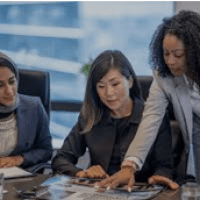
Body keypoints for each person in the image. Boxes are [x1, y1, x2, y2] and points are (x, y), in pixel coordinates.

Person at [96, 10, 200, 191]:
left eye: (178, 54)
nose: (170, 61)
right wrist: (129, 165)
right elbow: (151, 117)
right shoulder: (163, 78)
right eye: (166, 53)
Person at [52, 50, 179, 190]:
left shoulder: (152, 116)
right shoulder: (91, 116)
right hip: (100, 191)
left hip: (136, 191)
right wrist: (82, 173)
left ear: (129, 81)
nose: (109, 93)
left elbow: (165, 167)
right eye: (101, 86)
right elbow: (61, 159)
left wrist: (156, 179)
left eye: (115, 84)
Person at [0, 51, 52, 169]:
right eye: (0, 85)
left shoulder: (34, 107)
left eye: (12, 81)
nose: (9, 91)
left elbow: (46, 150)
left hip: (19, 179)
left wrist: (20, 159)